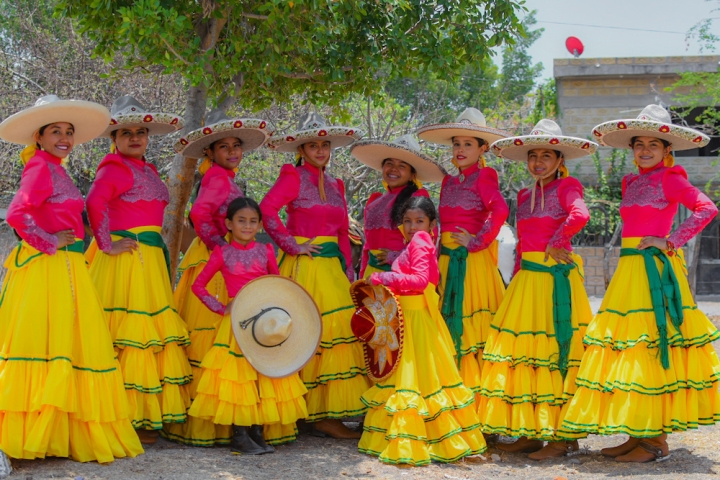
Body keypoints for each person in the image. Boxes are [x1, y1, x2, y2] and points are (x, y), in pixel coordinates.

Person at [559, 105, 720, 462]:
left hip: (653, 272)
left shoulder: (671, 178)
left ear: (667, 150)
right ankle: (637, 434)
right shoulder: (631, 180)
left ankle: (655, 442)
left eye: (654, 144)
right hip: (630, 270)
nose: (645, 150)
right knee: (628, 347)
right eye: (639, 144)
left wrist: (671, 240)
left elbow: (706, 208)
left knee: (649, 344)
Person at [0, 95, 143, 462]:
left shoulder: (55, 167)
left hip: (65, 268)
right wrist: (47, 241)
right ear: (39, 137)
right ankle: (35, 433)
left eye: (68, 131)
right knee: (51, 344)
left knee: (63, 344)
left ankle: (54, 433)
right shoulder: (41, 168)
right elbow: (17, 213)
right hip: (48, 269)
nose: (64, 137)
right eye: (55, 132)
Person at [479, 119, 597, 459]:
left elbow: (581, 214)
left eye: (547, 155)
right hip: (527, 280)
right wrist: (515, 275)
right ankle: (530, 431)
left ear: (560, 160)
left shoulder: (568, 185)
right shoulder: (525, 194)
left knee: (554, 354)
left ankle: (564, 439)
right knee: (523, 356)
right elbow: (521, 243)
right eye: (533, 155)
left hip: (553, 281)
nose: (539, 162)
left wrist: (558, 241)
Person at [163, 109, 274, 447]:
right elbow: (198, 213)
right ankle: (227, 420)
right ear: (210, 153)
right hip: (220, 257)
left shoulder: (222, 177)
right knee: (218, 341)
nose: (232, 152)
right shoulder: (217, 178)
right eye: (224, 147)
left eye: (236, 146)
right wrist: (221, 246)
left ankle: (235, 419)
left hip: (227, 252)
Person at [84, 95, 189, 445]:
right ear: (113, 138)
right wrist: (105, 244)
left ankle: (143, 415)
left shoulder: (148, 168)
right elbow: (94, 203)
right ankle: (122, 415)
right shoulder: (112, 167)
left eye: (140, 132)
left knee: (146, 336)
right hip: (124, 260)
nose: (134, 138)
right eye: (126, 132)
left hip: (148, 260)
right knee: (128, 335)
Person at [260, 113, 372, 439]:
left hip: (331, 267)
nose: (321, 150)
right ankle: (297, 410)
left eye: (325, 145)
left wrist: (347, 270)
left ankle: (323, 414)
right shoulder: (291, 175)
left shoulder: (336, 183)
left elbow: (340, 229)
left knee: (336, 330)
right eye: (314, 145)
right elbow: (267, 210)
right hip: (305, 264)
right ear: (302, 148)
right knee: (304, 330)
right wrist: (290, 244)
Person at [358, 196, 487, 465]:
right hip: (412, 317)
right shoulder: (416, 243)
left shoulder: (420, 241)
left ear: (432, 225)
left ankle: (412, 439)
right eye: (407, 221)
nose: (412, 226)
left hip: (415, 318)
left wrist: (382, 277)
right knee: (423, 380)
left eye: (419, 221)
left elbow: (419, 281)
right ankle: (431, 435)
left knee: (412, 380)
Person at [188, 197, 310, 454]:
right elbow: (197, 286)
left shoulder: (266, 251)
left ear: (260, 226)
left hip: (265, 319)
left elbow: (277, 283)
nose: (247, 226)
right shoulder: (222, 252)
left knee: (262, 372)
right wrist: (222, 308)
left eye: (253, 221)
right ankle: (240, 434)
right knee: (239, 377)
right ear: (229, 224)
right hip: (237, 323)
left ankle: (257, 430)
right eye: (241, 221)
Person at [416, 108, 510, 400]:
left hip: (472, 263)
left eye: (468, 144)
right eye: (456, 144)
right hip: (447, 259)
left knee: (473, 328)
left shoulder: (485, 176)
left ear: (483, 148)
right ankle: (451, 394)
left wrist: (477, 241)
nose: (460, 150)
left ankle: (478, 400)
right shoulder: (448, 181)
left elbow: (501, 210)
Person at [350, 134, 445, 278]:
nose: (394, 169)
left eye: (402, 166)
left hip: (400, 275)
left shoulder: (416, 199)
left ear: (412, 174)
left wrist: (396, 257)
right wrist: (362, 277)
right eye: (389, 163)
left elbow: (427, 242)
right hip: (371, 274)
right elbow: (367, 247)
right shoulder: (374, 201)